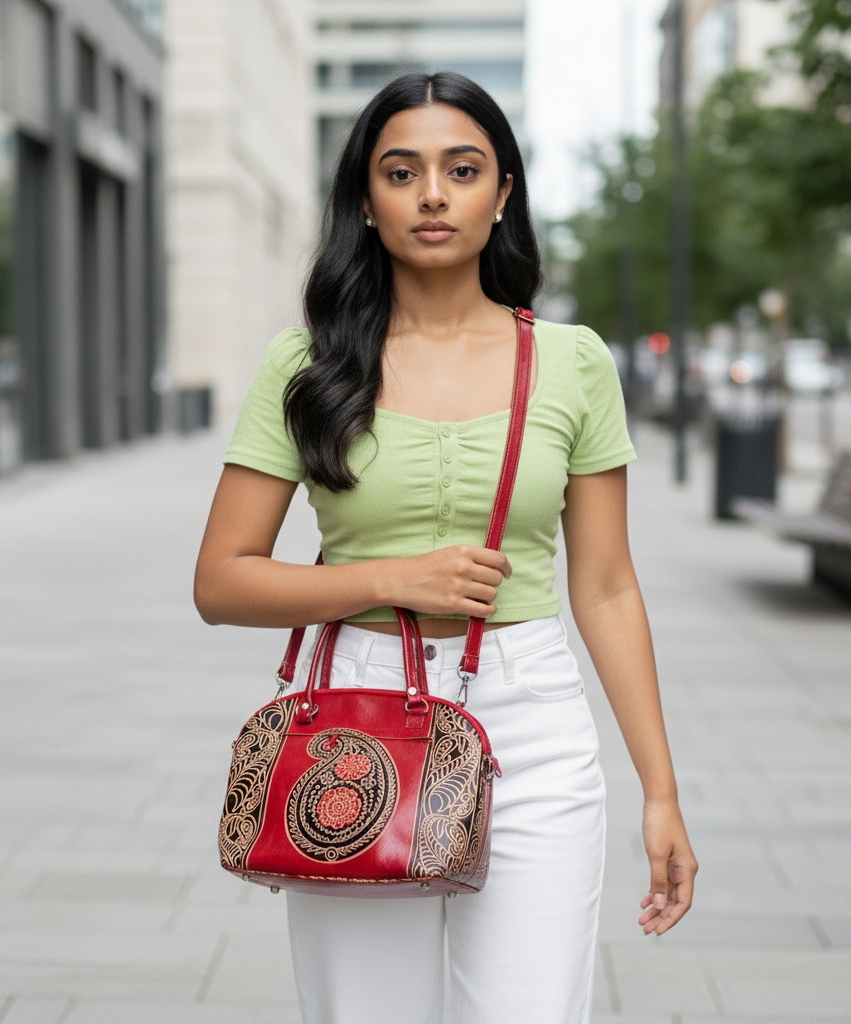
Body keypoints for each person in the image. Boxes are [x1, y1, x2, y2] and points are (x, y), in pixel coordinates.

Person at [194, 70, 697, 1024]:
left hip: (534, 719)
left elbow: (606, 588)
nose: (432, 193)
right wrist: (388, 578)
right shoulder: (306, 364)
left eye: (461, 169)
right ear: (367, 199)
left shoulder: (573, 361)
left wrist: (660, 791)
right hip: (355, 723)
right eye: (401, 171)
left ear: (501, 192)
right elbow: (220, 581)